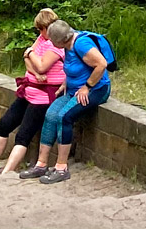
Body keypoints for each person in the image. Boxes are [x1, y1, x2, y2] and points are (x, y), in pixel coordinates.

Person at [0, 10, 68, 178]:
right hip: (28, 91)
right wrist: (35, 69)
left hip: (43, 97)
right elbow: (27, 60)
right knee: (5, 123)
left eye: (42, 29)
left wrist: (31, 55)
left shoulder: (55, 45)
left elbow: (40, 64)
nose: (40, 33)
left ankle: (6, 173)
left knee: (23, 135)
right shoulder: (41, 39)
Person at [27, 22, 111, 185]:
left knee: (64, 116)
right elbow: (76, 66)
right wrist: (67, 82)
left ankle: (61, 168)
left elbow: (101, 64)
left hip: (96, 89)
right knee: (51, 114)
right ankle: (41, 164)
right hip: (73, 89)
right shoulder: (67, 44)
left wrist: (87, 87)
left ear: (60, 40)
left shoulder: (81, 44)